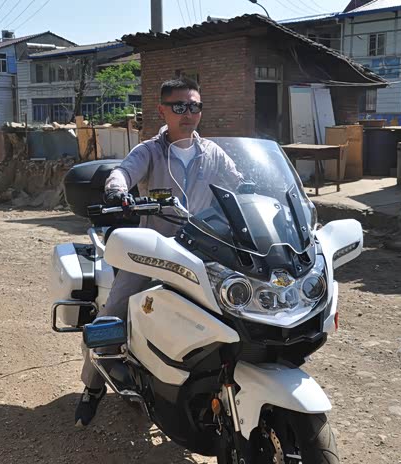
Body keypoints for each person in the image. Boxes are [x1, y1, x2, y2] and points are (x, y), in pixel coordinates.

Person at [75, 77, 243, 427]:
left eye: (194, 106)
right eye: (179, 106)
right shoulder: (149, 151)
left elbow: (239, 182)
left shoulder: (212, 153)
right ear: (162, 111)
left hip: (205, 250)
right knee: (114, 312)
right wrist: (117, 191)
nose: (188, 113)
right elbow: (122, 173)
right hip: (155, 251)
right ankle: (92, 386)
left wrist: (260, 193)